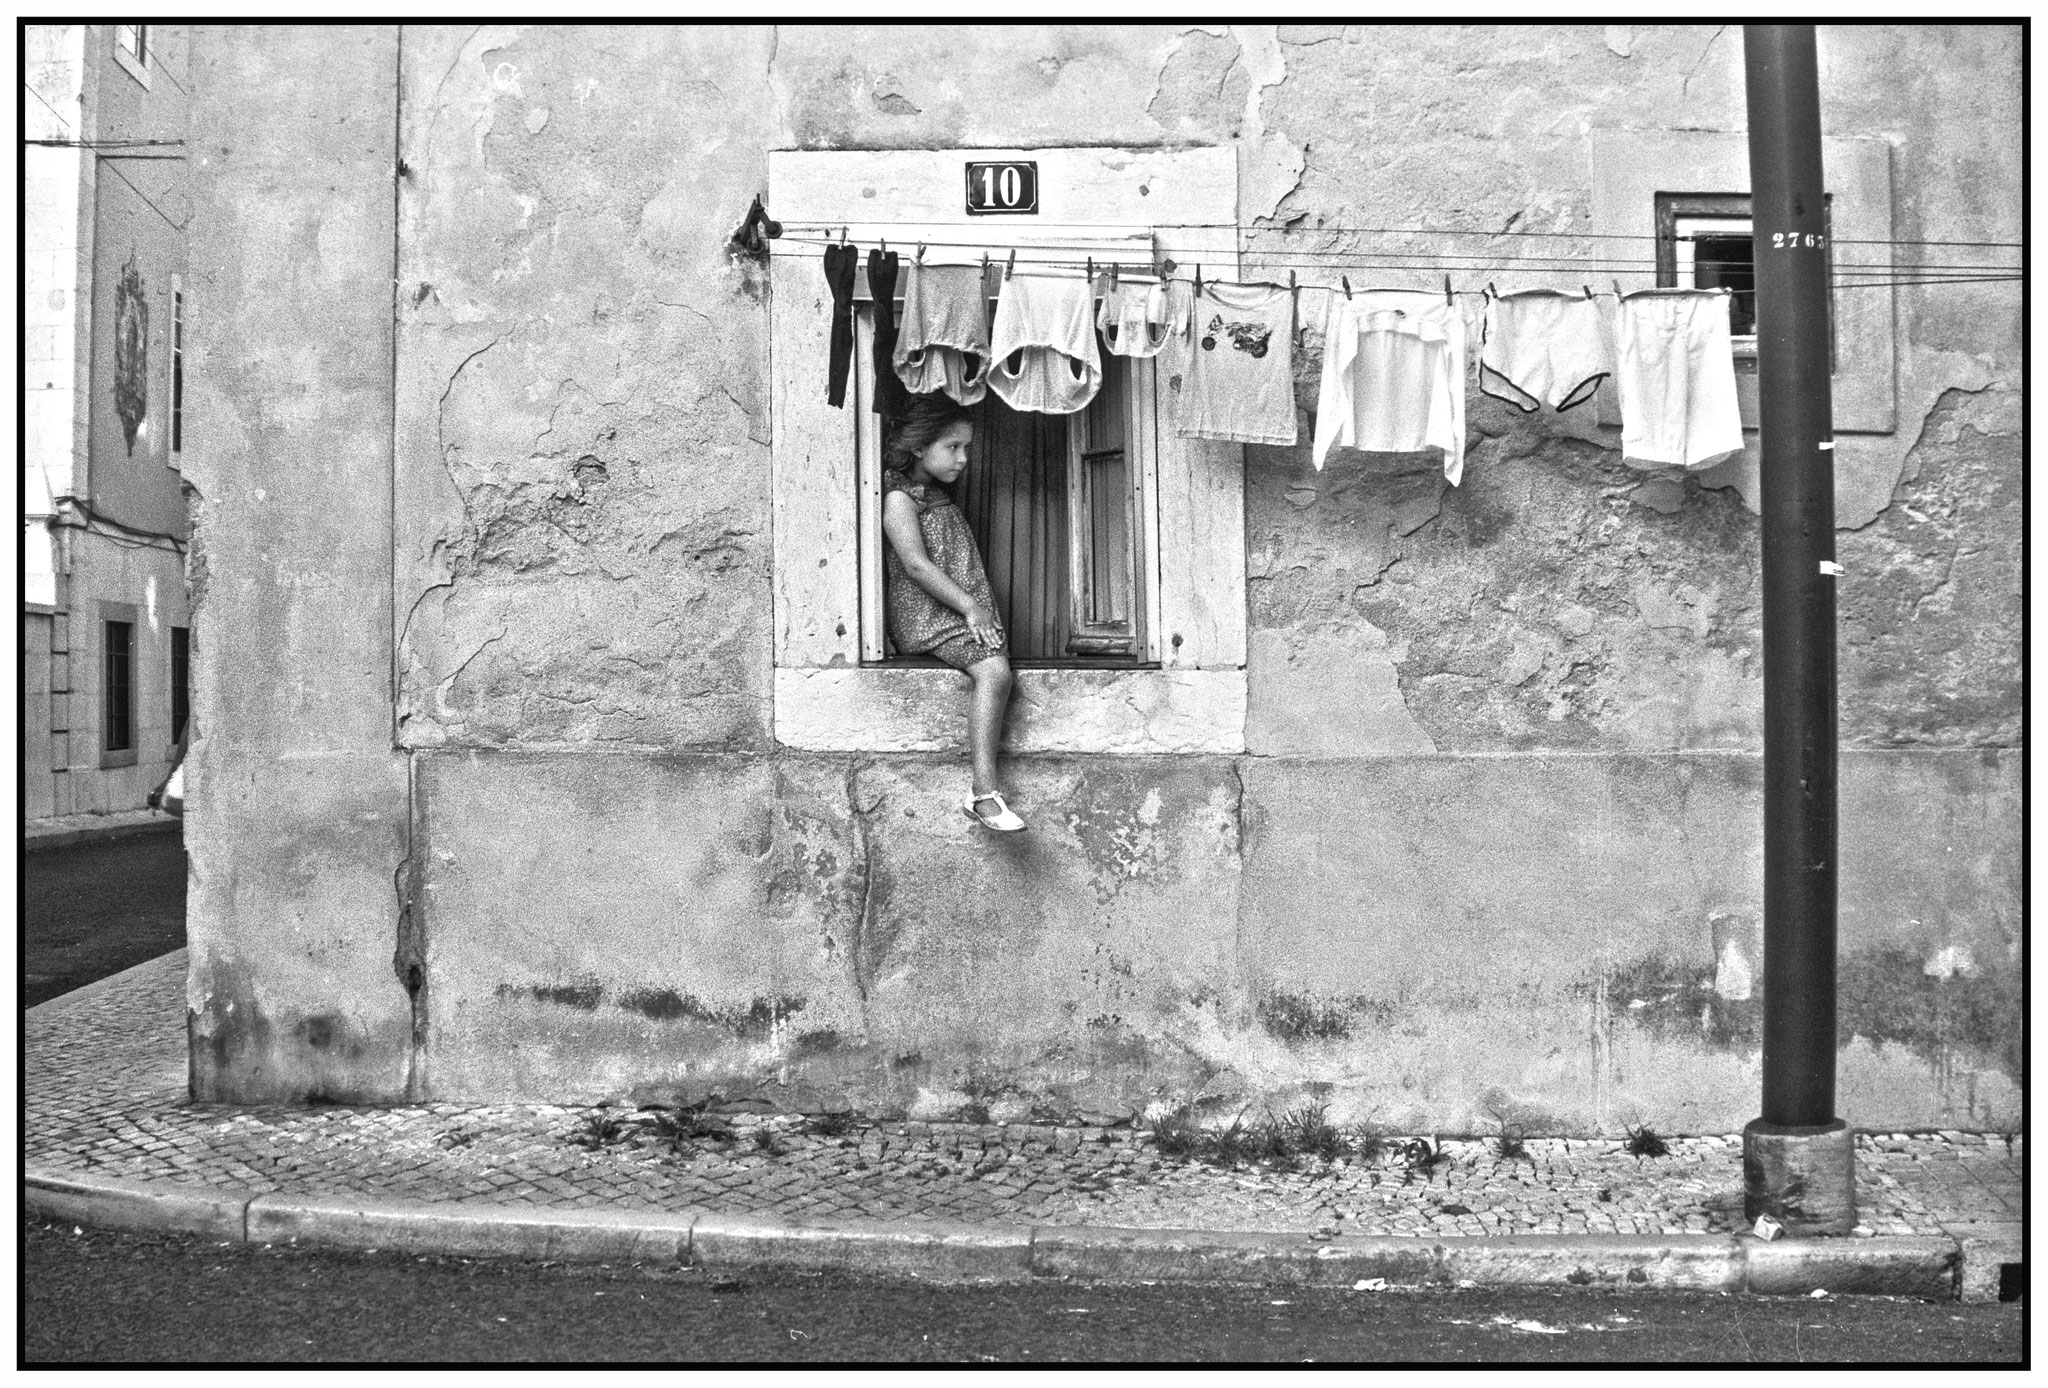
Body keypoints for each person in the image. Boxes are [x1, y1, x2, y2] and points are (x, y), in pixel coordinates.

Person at [880, 396, 1025, 832]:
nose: (964, 458)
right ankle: (983, 793)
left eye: (967, 447)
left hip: (953, 614)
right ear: (920, 447)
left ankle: (984, 792)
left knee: (997, 669)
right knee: (996, 673)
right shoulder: (900, 499)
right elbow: (916, 564)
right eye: (953, 447)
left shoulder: (935, 493)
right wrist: (970, 607)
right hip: (928, 615)